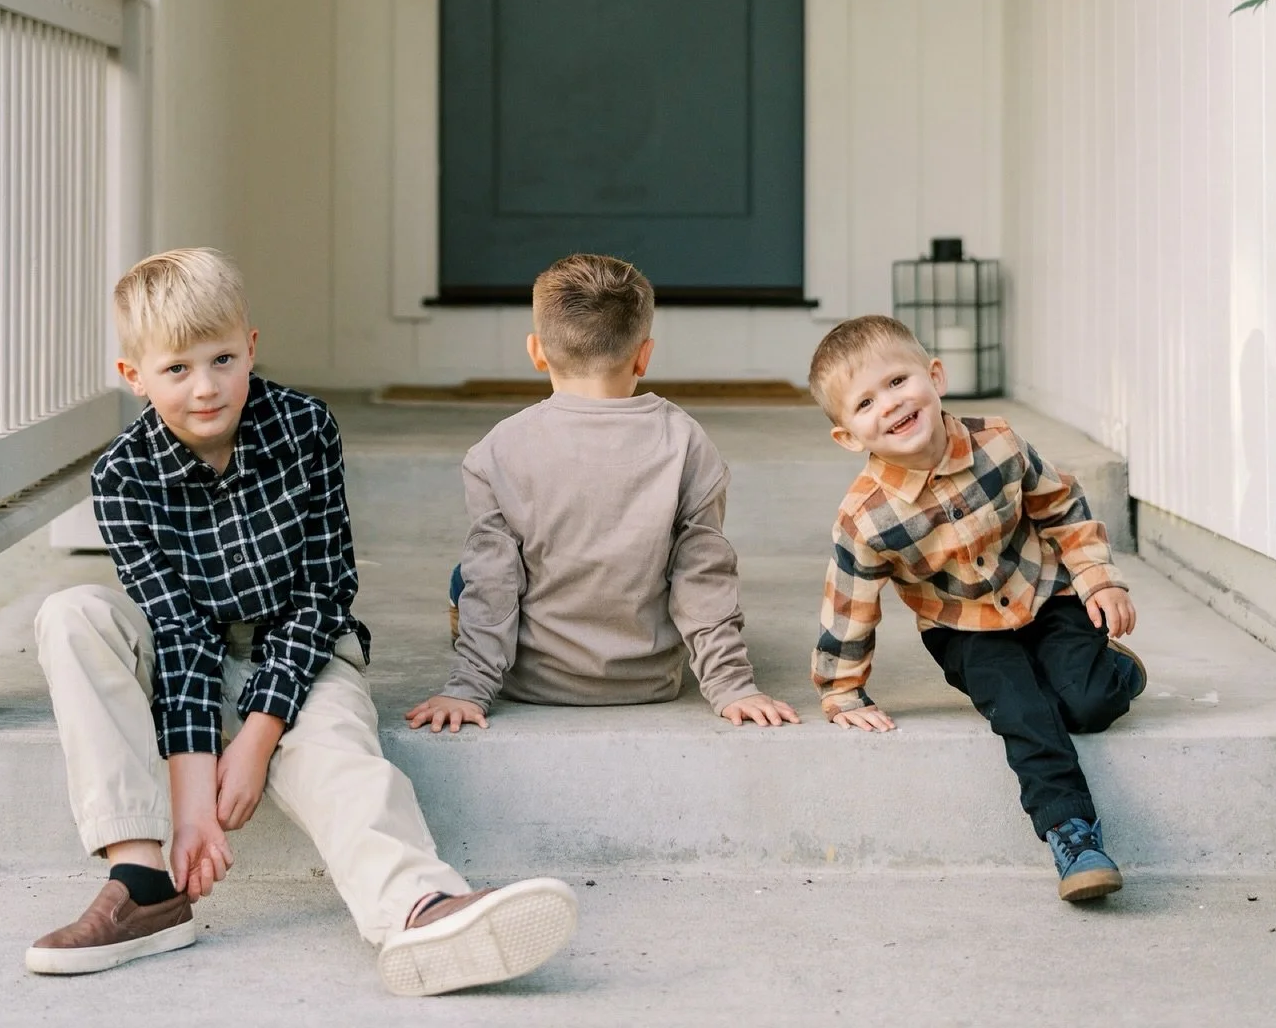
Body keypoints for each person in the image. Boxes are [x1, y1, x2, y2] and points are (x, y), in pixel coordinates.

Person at [26, 247, 576, 996]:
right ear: (134, 377)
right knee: (72, 614)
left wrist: (256, 740)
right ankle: (145, 880)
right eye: (177, 370)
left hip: (305, 650)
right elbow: (178, 630)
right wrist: (191, 805)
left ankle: (419, 908)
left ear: (251, 345)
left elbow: (323, 592)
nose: (207, 386)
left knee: (339, 756)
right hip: (188, 656)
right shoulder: (122, 476)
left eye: (222, 359)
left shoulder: (302, 427)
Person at [808, 314, 1146, 902]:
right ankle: (1072, 832)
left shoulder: (1000, 443)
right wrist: (841, 690)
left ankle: (1115, 669)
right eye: (864, 402)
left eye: (897, 382)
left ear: (934, 377)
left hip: (1046, 594)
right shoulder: (865, 517)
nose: (889, 405)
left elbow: (1060, 505)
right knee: (1022, 708)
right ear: (849, 436)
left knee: (1088, 703)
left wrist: (1096, 578)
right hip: (963, 628)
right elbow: (850, 604)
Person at [407, 252, 798, 733]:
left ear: (536, 352)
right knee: (684, 554)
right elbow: (704, 575)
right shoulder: (686, 441)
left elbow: (493, 584)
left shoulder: (497, 450)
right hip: (649, 681)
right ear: (644, 356)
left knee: (472, 569)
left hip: (531, 682)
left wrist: (466, 689)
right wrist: (733, 686)